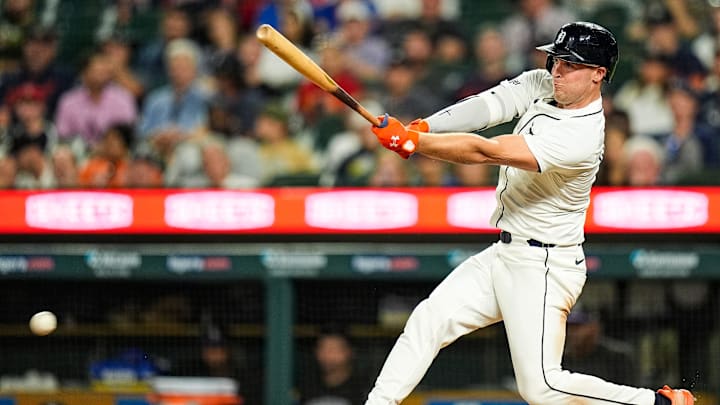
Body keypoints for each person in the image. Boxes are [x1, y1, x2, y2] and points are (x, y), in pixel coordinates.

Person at [366, 22, 694, 405]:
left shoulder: (581, 135)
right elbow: (488, 105)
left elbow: (487, 151)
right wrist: (422, 127)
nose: (558, 69)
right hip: (505, 252)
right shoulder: (545, 83)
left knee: (542, 388)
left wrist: (417, 144)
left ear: (598, 75)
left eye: (571, 64)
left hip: (545, 264)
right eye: (557, 59)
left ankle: (657, 403)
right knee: (429, 320)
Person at [297, 326, 373, 405]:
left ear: (350, 352)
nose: (327, 355)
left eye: (334, 349)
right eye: (323, 348)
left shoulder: (364, 390)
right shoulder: (306, 387)